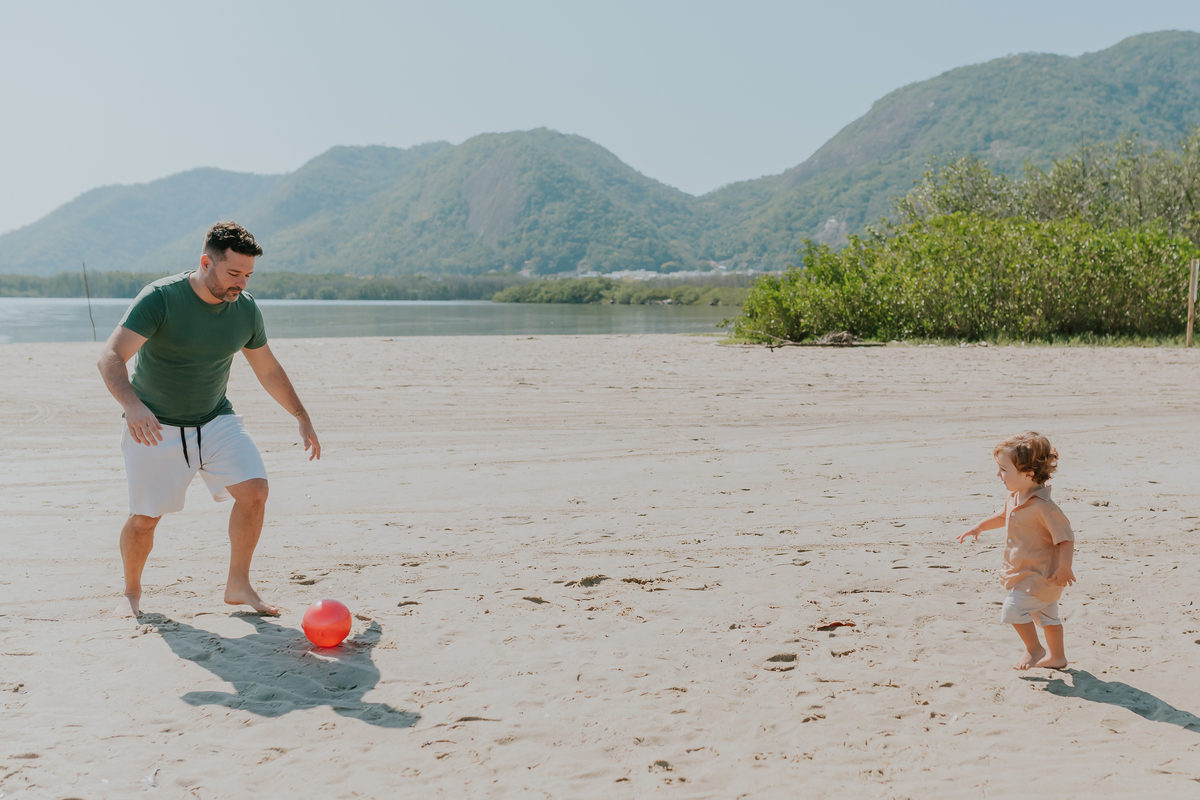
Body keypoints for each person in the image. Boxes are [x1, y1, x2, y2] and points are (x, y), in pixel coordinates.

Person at [97, 221, 320, 618]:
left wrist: (301, 416)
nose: (241, 283)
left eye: (248, 275)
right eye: (233, 273)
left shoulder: (246, 309)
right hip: (155, 427)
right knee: (145, 520)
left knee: (255, 492)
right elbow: (110, 356)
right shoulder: (161, 299)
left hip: (216, 419)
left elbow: (268, 369)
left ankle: (238, 584)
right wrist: (132, 405)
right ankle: (131, 593)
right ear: (205, 262)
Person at [958, 431, 1075, 670]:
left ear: (1028, 474)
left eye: (1003, 469)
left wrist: (1065, 567)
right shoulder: (1015, 496)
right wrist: (979, 526)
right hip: (1025, 572)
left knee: (1012, 611)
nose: (998, 474)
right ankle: (1057, 657)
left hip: (1042, 576)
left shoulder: (1046, 508)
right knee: (1047, 616)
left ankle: (1034, 649)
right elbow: (1002, 516)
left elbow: (1065, 538)